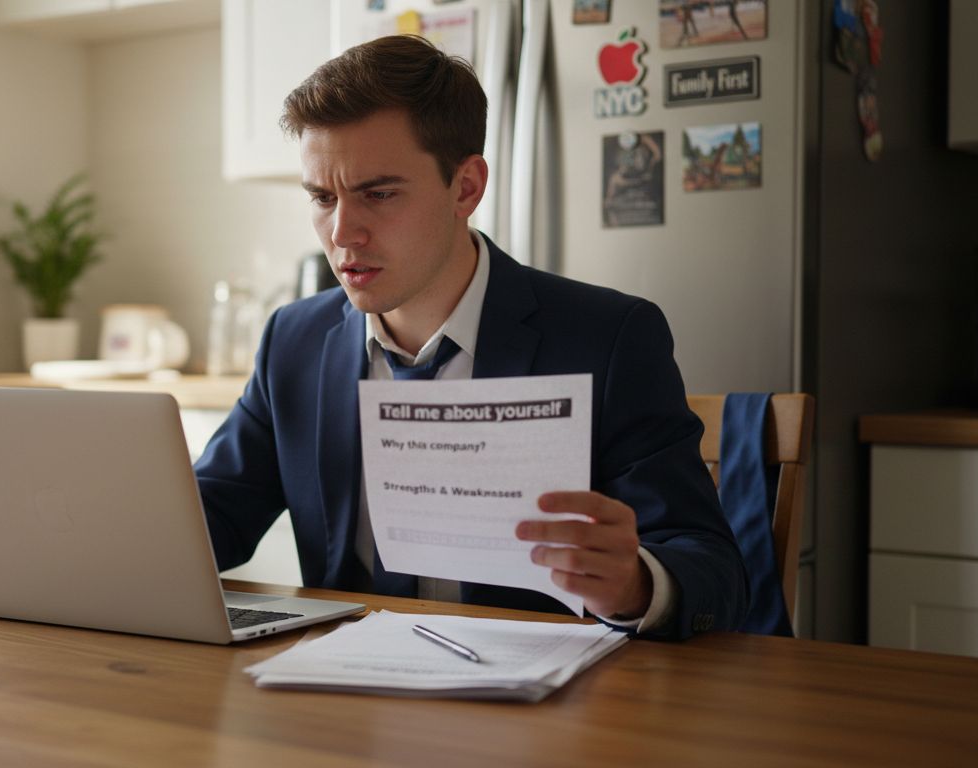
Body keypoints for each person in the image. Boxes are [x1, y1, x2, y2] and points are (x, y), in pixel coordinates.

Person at [195, 35, 747, 640]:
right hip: (344, 698)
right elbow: (208, 517)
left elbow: (715, 569)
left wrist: (637, 583)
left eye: (378, 194)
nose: (343, 233)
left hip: (548, 708)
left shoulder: (610, 338)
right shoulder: (294, 341)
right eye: (323, 198)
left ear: (465, 187)